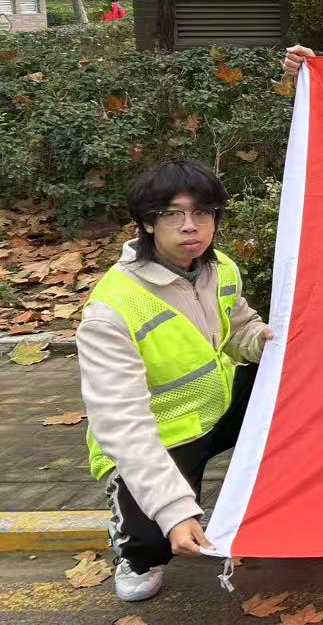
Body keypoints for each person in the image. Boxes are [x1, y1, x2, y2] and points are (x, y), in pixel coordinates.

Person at [77, 161, 274, 602]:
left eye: (202, 213)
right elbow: (122, 424)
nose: (190, 226)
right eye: (173, 214)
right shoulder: (111, 310)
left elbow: (239, 330)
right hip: (163, 435)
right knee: (155, 540)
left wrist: (267, 342)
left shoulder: (220, 268)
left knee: (298, 390)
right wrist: (174, 510)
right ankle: (134, 550)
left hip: (219, 408)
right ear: (148, 223)